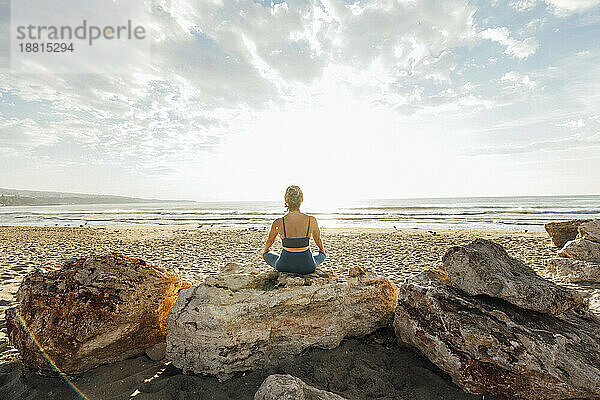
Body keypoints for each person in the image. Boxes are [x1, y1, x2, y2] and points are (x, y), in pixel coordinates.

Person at [262, 185, 326, 274]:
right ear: (302, 199)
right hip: (307, 267)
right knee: (321, 255)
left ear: (286, 200)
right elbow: (318, 239)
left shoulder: (279, 222)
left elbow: (270, 241)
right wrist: (322, 251)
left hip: (284, 266)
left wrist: (265, 251)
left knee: (266, 255)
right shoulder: (312, 220)